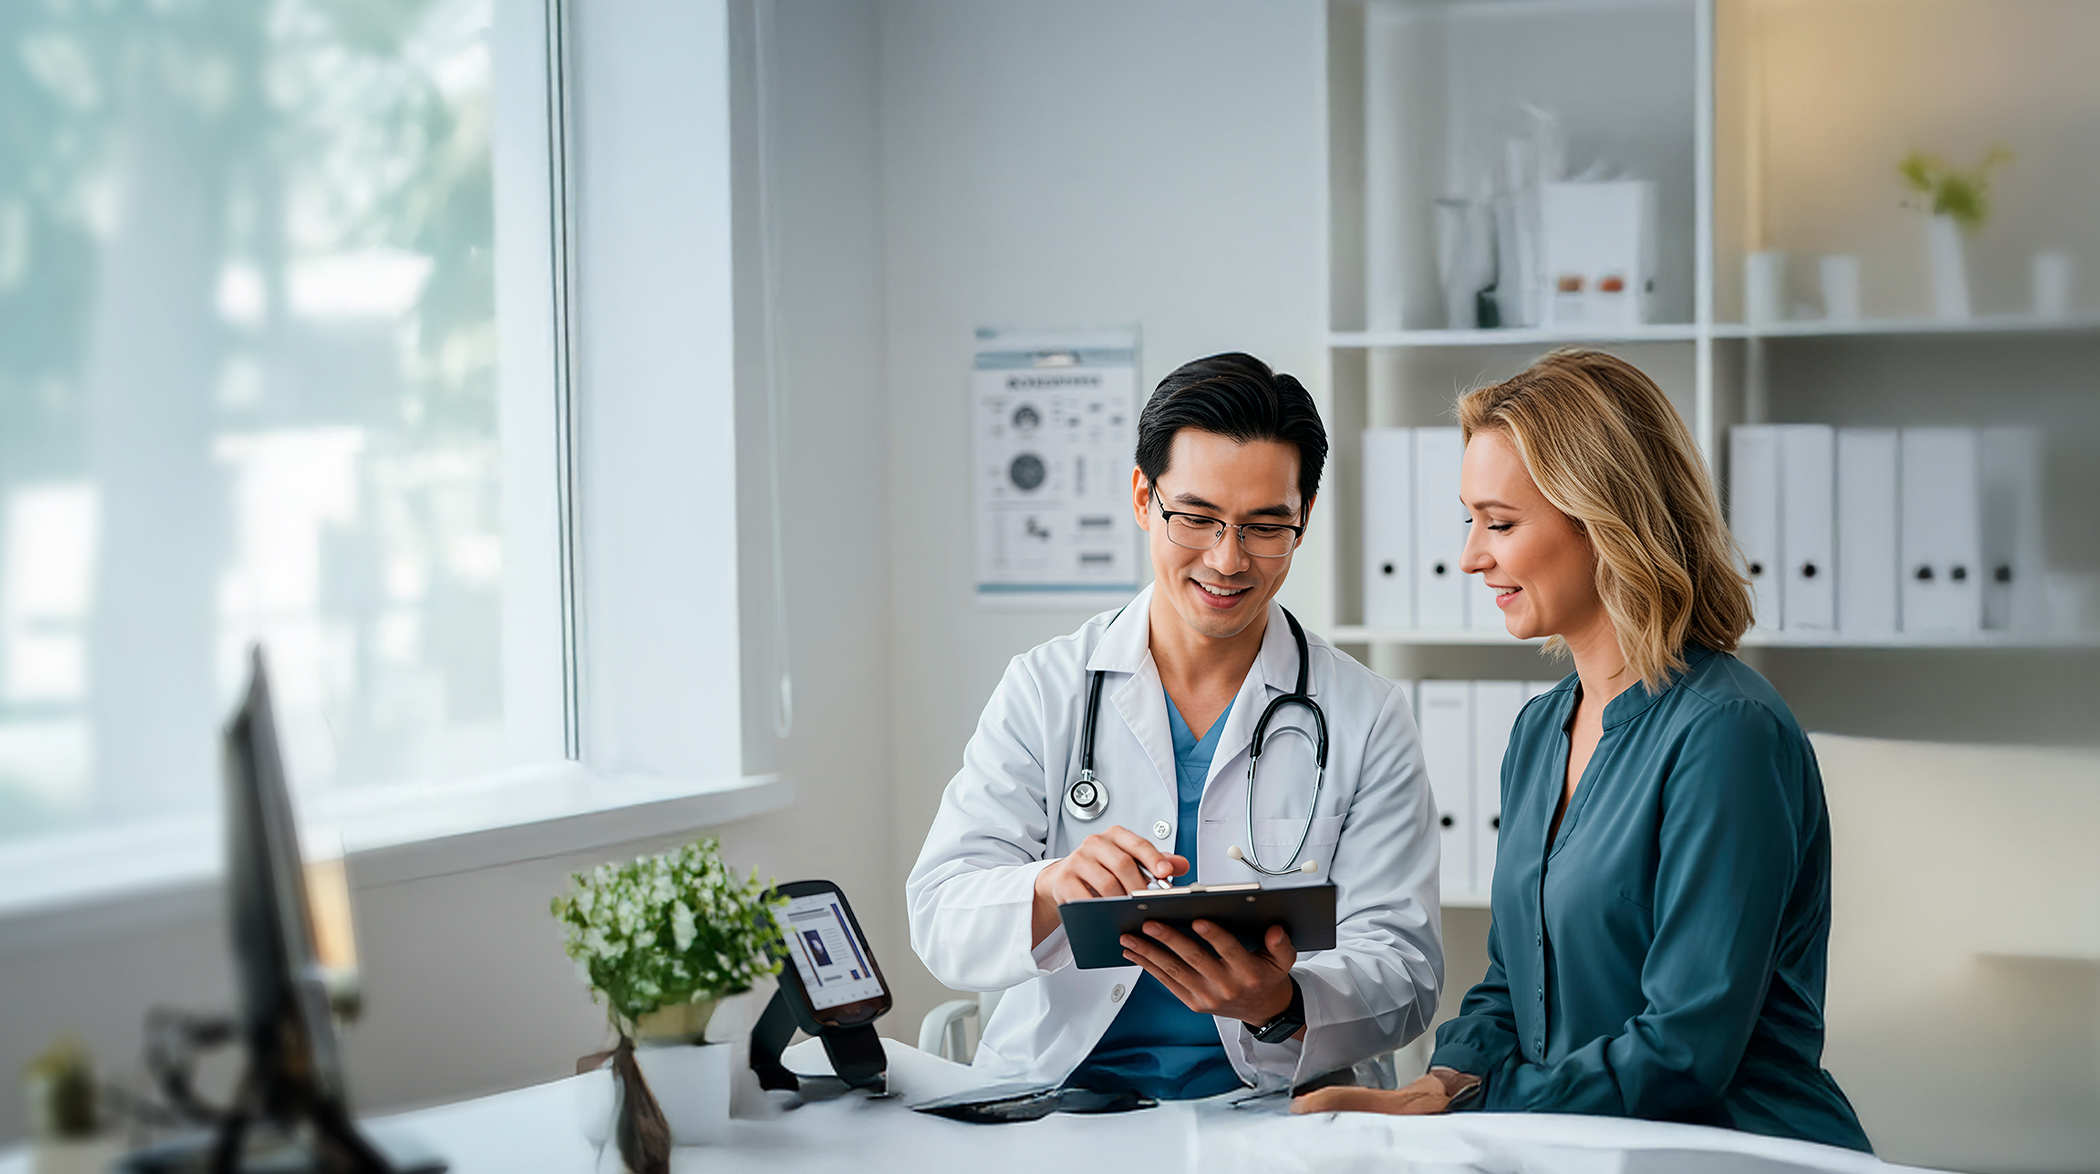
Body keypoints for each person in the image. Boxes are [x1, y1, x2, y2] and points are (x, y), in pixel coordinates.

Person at [1293, 350, 1872, 1151]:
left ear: (1605, 519)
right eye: (1471, 521)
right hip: (1578, 1141)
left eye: (1499, 523)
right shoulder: (1541, 731)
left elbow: (1684, 1050)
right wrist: (1439, 1085)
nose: (1471, 556)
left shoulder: (1728, 734)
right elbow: (1509, 985)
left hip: (1736, 1149)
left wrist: (1472, 1110)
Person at [908, 353, 1443, 1097]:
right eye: (1196, 517)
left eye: (1265, 526)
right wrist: (1051, 888)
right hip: (1062, 1106)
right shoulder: (1047, 689)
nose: (1227, 559)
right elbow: (940, 914)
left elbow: (1406, 966)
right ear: (1141, 496)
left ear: (1304, 519)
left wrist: (1280, 1004)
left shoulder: (1366, 715)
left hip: (1275, 1106)